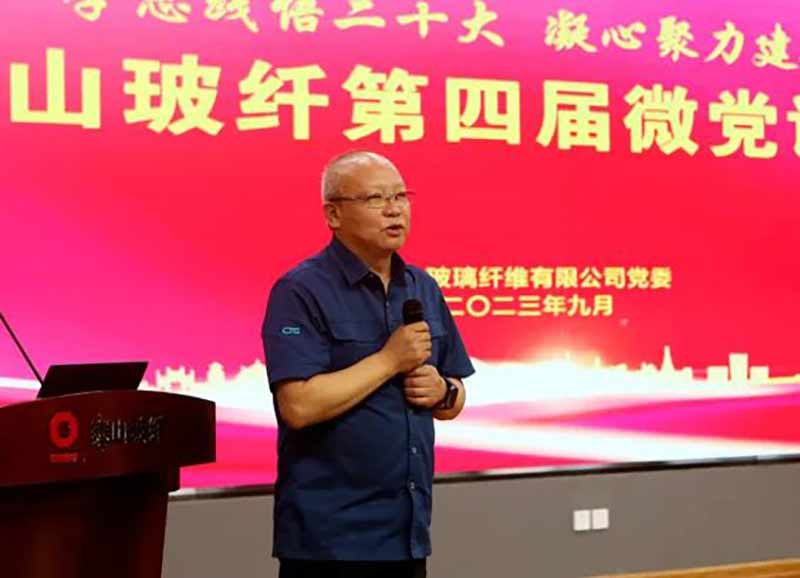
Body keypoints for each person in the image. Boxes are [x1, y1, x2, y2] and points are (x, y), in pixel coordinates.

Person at [261, 150, 475, 578]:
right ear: (334, 214)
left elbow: (454, 396)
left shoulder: (421, 286)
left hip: (407, 532)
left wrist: (443, 391)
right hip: (331, 540)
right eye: (376, 198)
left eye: (401, 196)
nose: (394, 210)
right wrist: (389, 360)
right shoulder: (300, 290)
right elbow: (298, 406)